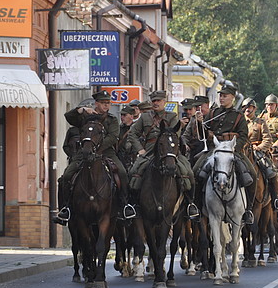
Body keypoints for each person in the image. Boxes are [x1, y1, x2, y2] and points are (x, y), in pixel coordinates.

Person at [54, 90, 135, 224]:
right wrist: (81, 109)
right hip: (84, 152)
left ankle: (124, 205)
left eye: (108, 103)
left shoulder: (112, 119)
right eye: (103, 103)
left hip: (106, 151)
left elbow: (112, 137)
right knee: (67, 175)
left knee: (122, 173)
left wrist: (97, 149)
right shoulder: (86, 116)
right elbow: (69, 117)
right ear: (96, 103)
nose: (106, 106)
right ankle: (66, 208)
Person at [127, 90, 198, 218]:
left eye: (158, 101)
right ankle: (132, 205)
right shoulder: (145, 117)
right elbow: (132, 134)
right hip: (149, 151)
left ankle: (190, 204)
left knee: (188, 172)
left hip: (169, 151)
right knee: (133, 172)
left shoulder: (172, 116)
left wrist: (173, 151)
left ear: (164, 102)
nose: (156, 103)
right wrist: (140, 149)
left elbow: (175, 135)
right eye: (153, 101)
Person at [194, 83, 256, 225]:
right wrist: (199, 123)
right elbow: (203, 134)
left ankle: (248, 211)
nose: (221, 98)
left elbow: (243, 136)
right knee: (195, 171)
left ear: (232, 98)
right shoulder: (213, 113)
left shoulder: (239, 116)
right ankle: (196, 206)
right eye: (220, 95)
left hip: (232, 151)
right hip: (214, 150)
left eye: (224, 96)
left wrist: (233, 148)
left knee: (252, 174)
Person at [242, 97, 278, 210]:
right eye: (245, 107)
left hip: (257, 152)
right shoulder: (239, 122)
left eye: (249, 107)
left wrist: (259, 148)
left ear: (254, 109)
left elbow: (268, 140)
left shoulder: (260, 122)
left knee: (271, 172)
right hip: (241, 151)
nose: (247, 109)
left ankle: (276, 199)